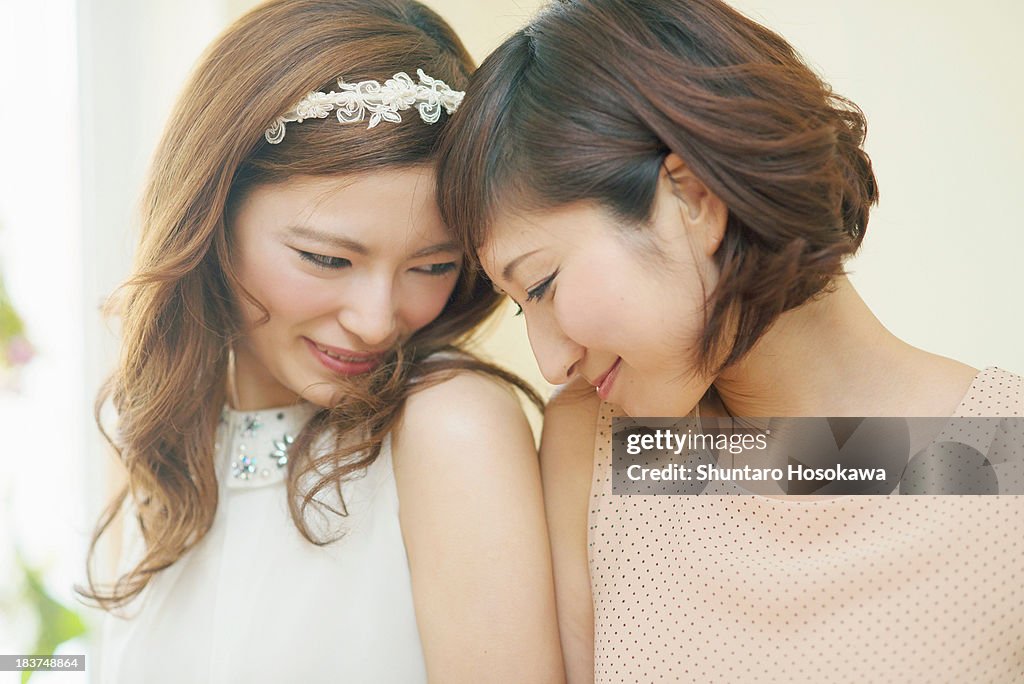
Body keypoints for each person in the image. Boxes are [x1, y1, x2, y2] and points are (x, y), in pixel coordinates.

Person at [435, 0, 1024, 681]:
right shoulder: (602, 448)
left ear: (692, 199)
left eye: (541, 286)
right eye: (518, 309)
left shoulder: (1005, 458)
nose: (551, 360)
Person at [79, 1, 564, 681]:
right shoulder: (159, 437)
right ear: (211, 220)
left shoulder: (449, 427)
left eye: (432, 266)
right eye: (328, 260)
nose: (375, 320)